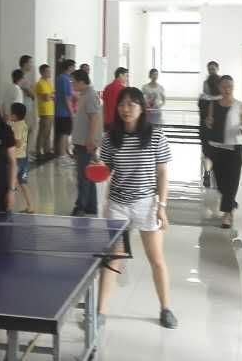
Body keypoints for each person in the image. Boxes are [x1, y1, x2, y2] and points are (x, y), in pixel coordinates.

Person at [98, 87, 175, 328]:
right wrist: (97, 167)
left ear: (142, 108)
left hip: (146, 204)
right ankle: (100, 312)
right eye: (122, 104)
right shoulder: (110, 137)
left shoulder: (155, 136)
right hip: (118, 206)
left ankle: (165, 308)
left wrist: (162, 206)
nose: (126, 109)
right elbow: (106, 170)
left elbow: (163, 173)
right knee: (114, 258)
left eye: (132, 104)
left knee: (157, 259)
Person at [204, 75, 242, 228]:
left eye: (230, 86)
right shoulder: (213, 104)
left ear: (233, 87)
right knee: (221, 183)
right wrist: (208, 122)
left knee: (232, 180)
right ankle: (231, 203)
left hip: (234, 146)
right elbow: (209, 121)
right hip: (217, 146)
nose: (227, 89)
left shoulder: (240, 105)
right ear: (219, 88)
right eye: (224, 86)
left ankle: (227, 214)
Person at [70, 69, 102, 216]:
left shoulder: (90, 95)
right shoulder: (84, 95)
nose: (72, 84)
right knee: (89, 175)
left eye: (74, 82)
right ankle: (91, 206)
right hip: (81, 141)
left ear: (82, 82)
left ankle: (80, 207)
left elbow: (94, 118)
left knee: (83, 176)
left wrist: (90, 139)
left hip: (85, 143)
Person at [8, 102, 34, 213]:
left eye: (11, 113)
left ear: (15, 115)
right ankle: (30, 206)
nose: (9, 115)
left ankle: (8, 206)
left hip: (16, 159)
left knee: (11, 183)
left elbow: (17, 143)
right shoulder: (24, 124)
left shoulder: (17, 126)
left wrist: (8, 141)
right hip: (24, 158)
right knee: (23, 183)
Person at [15, 56, 38, 155]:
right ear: (25, 64)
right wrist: (33, 94)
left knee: (29, 130)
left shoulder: (24, 76)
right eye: (30, 63)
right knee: (27, 130)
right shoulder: (21, 77)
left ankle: (25, 153)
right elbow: (30, 93)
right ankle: (24, 154)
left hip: (27, 107)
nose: (32, 65)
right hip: (24, 108)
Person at [54, 60, 76, 159]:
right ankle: (62, 154)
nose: (74, 69)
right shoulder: (66, 79)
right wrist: (71, 112)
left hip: (58, 110)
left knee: (61, 133)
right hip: (64, 112)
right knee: (64, 133)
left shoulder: (59, 78)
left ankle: (64, 152)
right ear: (69, 67)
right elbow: (66, 98)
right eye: (73, 67)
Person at [33, 64, 56, 159]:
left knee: (48, 132)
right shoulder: (40, 83)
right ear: (42, 72)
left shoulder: (48, 82)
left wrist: (50, 95)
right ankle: (38, 152)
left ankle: (47, 151)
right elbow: (46, 97)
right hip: (44, 111)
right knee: (43, 132)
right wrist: (50, 96)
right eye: (47, 71)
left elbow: (53, 94)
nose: (50, 73)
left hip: (51, 110)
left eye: (50, 71)